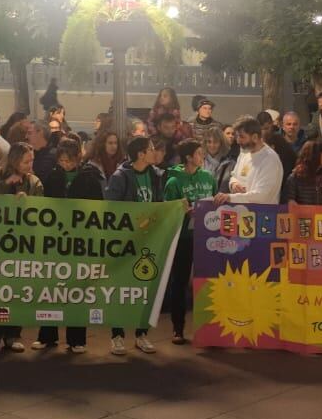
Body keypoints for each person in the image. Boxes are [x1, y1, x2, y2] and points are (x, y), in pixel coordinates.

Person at [34, 136, 105, 354]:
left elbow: (99, 209)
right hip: (55, 240)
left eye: (68, 160)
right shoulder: (53, 177)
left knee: (77, 290)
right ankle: (47, 335)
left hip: (80, 241)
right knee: (51, 288)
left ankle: (77, 339)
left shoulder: (89, 178)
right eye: (62, 160)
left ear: (77, 158)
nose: (65, 164)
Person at [0, 143, 41, 354]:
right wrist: (4, 185)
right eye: (26, 161)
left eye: (32, 160)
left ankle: (13, 334)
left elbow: (42, 211)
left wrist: (28, 203)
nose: (30, 165)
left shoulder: (34, 182)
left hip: (22, 245)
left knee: (17, 290)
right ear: (14, 161)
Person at [104, 134, 162, 355]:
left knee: (146, 288)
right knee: (120, 288)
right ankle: (117, 336)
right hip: (125, 242)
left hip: (149, 241)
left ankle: (142, 334)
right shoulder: (121, 177)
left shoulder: (156, 176)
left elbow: (160, 205)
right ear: (141, 154)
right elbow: (111, 208)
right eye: (151, 148)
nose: (154, 151)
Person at [161, 139, 213, 344]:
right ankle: (178, 328)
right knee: (180, 282)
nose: (202, 157)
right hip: (183, 238)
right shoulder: (173, 182)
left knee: (208, 282)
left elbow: (213, 200)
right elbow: (168, 211)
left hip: (207, 237)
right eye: (199, 153)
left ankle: (210, 329)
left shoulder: (208, 177)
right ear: (189, 157)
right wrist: (183, 212)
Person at [217, 116, 283, 206]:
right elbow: (234, 175)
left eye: (242, 137)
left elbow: (262, 196)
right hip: (241, 212)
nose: (238, 141)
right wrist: (234, 184)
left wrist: (230, 197)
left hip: (263, 215)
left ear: (255, 137)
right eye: (237, 136)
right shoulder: (245, 152)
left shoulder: (270, 160)